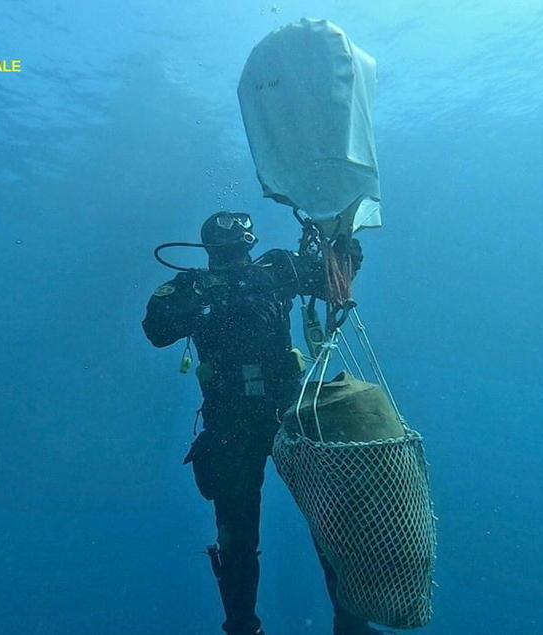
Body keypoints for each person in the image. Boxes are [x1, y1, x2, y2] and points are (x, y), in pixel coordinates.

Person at [142, 211, 381, 635]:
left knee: (328, 520)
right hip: (235, 421)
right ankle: (244, 627)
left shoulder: (277, 268)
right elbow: (157, 330)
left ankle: (351, 624)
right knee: (242, 535)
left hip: (282, 414)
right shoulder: (194, 283)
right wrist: (194, 295)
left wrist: (344, 244)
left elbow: (334, 283)